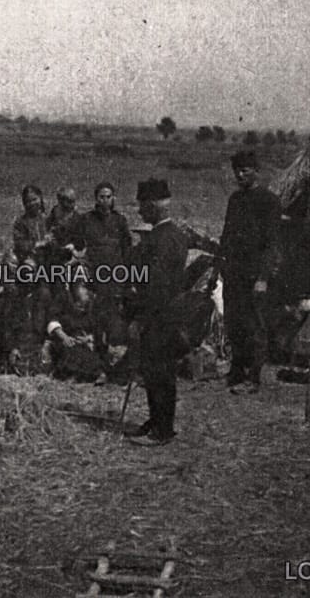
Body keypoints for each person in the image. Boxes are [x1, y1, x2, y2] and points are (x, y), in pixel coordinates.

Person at [123, 179, 191, 445]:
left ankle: (163, 430)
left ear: (153, 206)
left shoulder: (163, 239)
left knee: (160, 372)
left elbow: (157, 286)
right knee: (154, 372)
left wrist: (140, 317)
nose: (140, 212)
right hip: (166, 313)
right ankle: (156, 420)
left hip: (160, 315)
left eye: (142, 205)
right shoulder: (171, 234)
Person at [217, 150, 281, 394]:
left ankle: (253, 378)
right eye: (237, 171)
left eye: (245, 170)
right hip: (233, 272)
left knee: (254, 325)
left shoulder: (269, 201)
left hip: (254, 275)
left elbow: (272, 243)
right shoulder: (235, 200)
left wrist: (263, 278)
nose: (240, 175)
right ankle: (236, 370)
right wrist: (219, 268)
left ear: (257, 171)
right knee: (234, 323)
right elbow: (227, 235)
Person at [70, 181, 133, 347]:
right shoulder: (86, 219)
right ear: (96, 199)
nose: (105, 200)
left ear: (113, 198)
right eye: (101, 197)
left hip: (114, 271)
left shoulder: (120, 220)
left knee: (113, 308)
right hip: (93, 269)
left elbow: (127, 247)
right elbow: (77, 243)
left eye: (108, 197)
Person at [45, 283, 105, 383]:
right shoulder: (63, 298)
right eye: (83, 288)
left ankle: (88, 375)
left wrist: (88, 339)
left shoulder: (91, 305)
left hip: (82, 341)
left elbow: (96, 328)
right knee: (69, 351)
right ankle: (72, 375)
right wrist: (64, 337)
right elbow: (52, 320)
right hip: (63, 338)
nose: (86, 293)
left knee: (88, 355)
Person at [12, 185, 49, 264]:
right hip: (30, 257)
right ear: (24, 203)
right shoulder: (21, 222)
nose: (32, 203)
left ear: (40, 198)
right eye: (28, 201)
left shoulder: (49, 218)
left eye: (35, 199)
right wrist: (36, 244)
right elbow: (19, 243)